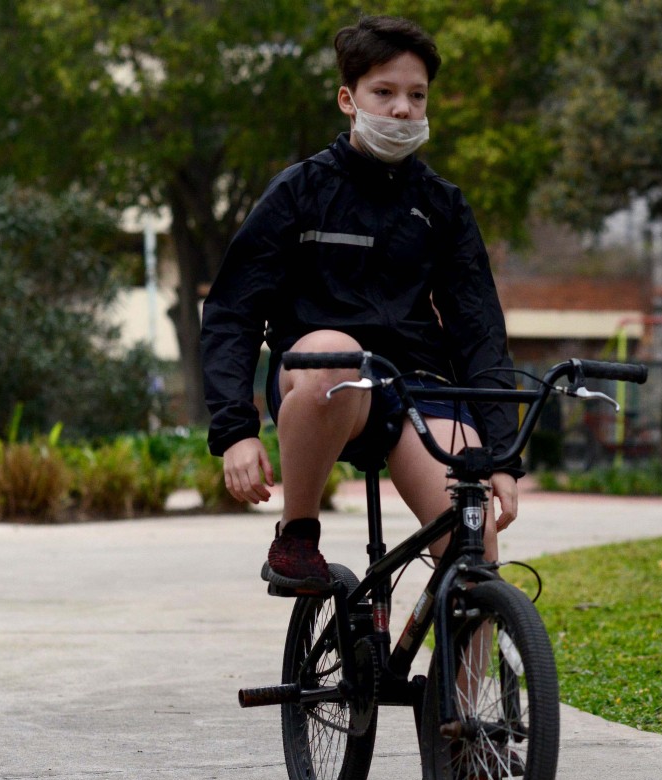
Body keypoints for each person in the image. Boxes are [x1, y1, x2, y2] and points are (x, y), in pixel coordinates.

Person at [200, 15, 521, 593]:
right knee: (335, 351)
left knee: (475, 561)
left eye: (417, 96)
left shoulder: (443, 206)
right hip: (323, 385)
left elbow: (478, 330)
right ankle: (298, 533)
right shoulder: (298, 192)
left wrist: (500, 457)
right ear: (348, 100)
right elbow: (232, 313)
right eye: (384, 92)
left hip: (419, 387)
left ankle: (471, 654)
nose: (402, 109)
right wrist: (235, 431)